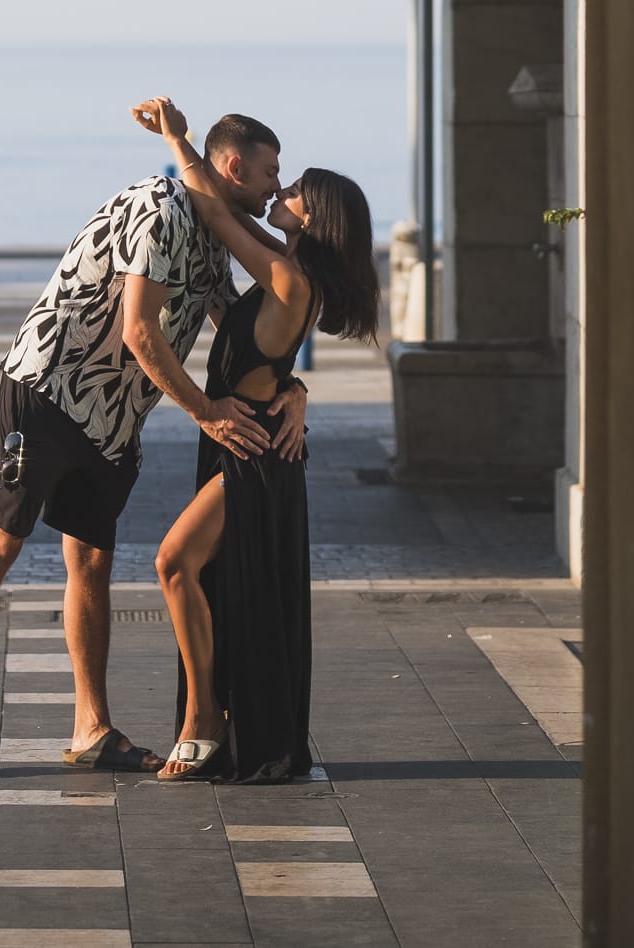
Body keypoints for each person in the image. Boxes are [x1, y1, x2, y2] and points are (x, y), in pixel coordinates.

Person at [0, 113, 310, 778]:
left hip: (112, 420)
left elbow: (244, 332)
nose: (275, 190)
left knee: (92, 565)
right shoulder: (159, 210)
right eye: (270, 172)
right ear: (234, 168)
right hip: (47, 392)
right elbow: (138, 330)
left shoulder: (215, 235)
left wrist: (290, 388)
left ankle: (91, 727)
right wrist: (206, 413)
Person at [134, 93, 379, 783]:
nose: (282, 186)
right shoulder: (285, 267)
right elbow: (261, 352)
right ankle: (214, 715)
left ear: (313, 214)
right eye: (278, 176)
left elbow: (213, 210)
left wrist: (179, 140)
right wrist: (293, 391)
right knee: (210, 576)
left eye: (294, 188)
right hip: (248, 434)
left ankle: (205, 717)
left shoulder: (288, 277)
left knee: (174, 564)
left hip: (251, 447)